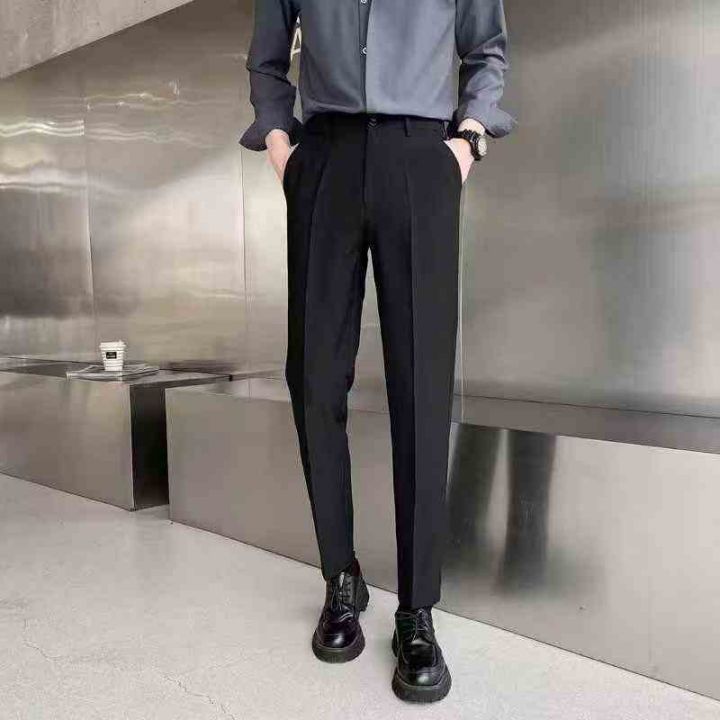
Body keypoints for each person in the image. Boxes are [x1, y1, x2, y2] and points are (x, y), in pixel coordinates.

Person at [240, 0, 516, 703]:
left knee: (421, 385)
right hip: (324, 158)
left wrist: (467, 142)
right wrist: (283, 148)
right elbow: (267, 59)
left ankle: (417, 610)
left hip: (421, 156)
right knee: (313, 378)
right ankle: (341, 577)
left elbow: (486, 50)